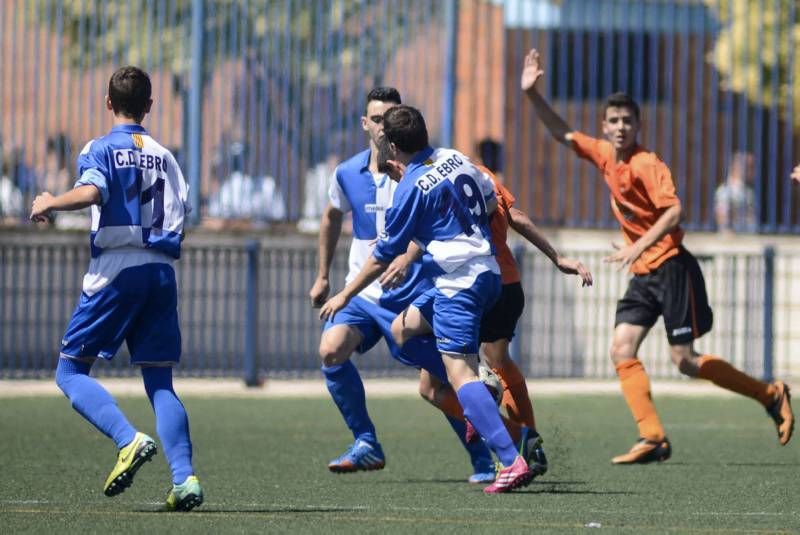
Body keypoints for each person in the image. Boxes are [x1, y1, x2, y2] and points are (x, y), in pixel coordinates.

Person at [520, 48, 794, 463]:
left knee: (683, 360)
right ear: (605, 125)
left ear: (638, 126)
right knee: (621, 349)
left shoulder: (648, 164)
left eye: (628, 121)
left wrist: (636, 245)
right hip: (643, 273)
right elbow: (563, 133)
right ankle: (652, 437)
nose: (620, 127)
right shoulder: (604, 155)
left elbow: (676, 211)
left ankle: (769, 394)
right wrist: (532, 95)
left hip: (670, 266)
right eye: (613, 120)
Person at [320, 105, 535, 494]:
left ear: (394, 146)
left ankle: (511, 459)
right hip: (488, 272)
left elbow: (384, 255)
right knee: (404, 329)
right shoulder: (455, 158)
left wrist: (344, 293)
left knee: (457, 374)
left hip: (458, 284)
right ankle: (482, 390)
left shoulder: (409, 189)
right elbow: (489, 204)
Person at [29, 66, 203, 510]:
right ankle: (185, 481)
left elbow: (92, 192)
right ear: (149, 106)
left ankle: (127, 439)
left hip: (117, 269)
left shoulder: (100, 148)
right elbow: (183, 215)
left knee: (69, 372)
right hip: (162, 272)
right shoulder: (166, 155)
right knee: (161, 381)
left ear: (108, 103)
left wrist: (50, 201)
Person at [406, 163, 594, 478]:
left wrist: (395, 257)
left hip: (469, 285)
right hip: (506, 284)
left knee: (429, 377)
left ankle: (502, 420)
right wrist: (557, 257)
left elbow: (425, 235)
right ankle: (527, 439)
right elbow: (514, 215)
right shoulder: (475, 170)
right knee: (499, 359)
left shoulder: (425, 180)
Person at [714, 151, 756, 233]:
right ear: (737, 168)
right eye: (750, 167)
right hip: (733, 240)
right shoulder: (725, 190)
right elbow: (721, 217)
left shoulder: (748, 191)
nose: (753, 172)